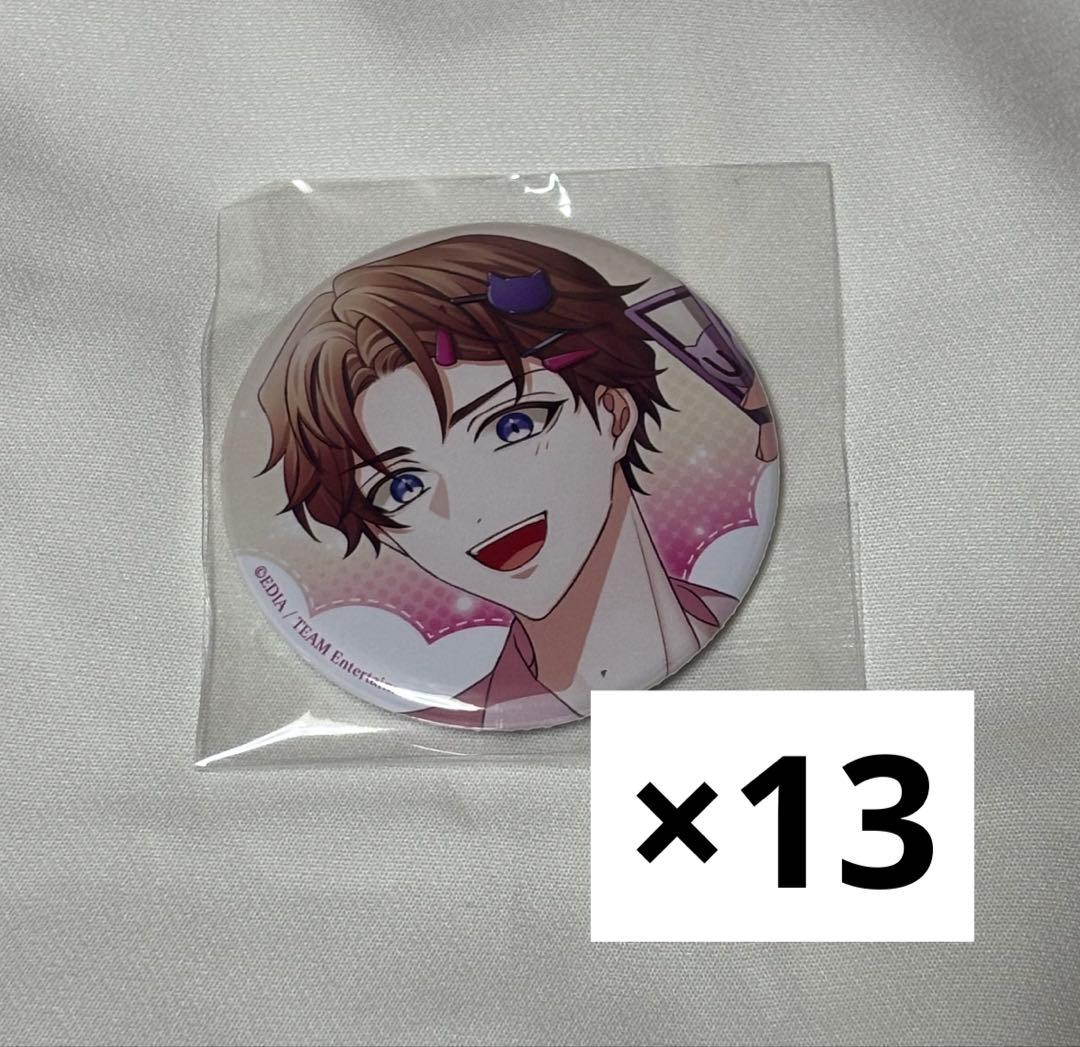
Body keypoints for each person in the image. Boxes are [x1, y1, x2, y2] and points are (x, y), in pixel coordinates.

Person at [258, 233, 773, 728]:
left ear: (613, 416)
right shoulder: (458, 702)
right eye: (403, 486)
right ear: (386, 532)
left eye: (513, 426)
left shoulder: (765, 639)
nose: (472, 507)